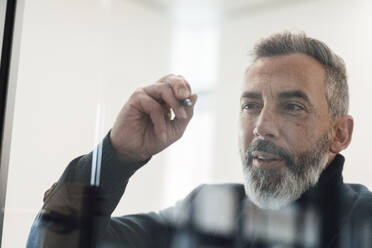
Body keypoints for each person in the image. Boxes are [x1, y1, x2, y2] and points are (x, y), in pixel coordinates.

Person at [27, 32, 372, 248]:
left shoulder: (365, 222)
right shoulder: (208, 211)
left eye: (293, 106)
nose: (262, 126)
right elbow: (53, 243)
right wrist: (116, 155)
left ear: (339, 134)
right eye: (250, 105)